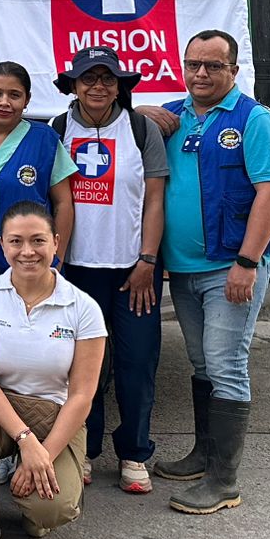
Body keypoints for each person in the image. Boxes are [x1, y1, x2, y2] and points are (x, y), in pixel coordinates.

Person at [142, 30, 270, 515]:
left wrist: (248, 262)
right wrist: (139, 113)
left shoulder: (255, 120)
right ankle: (203, 455)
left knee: (226, 365)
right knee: (203, 364)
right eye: (192, 64)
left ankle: (224, 481)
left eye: (212, 65)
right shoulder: (174, 115)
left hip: (231, 266)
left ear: (233, 70)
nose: (200, 73)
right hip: (183, 269)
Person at [0, 204, 106, 539]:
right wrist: (24, 440)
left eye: (38, 241)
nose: (27, 251)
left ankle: (35, 500)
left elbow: (82, 395)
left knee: (52, 509)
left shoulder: (83, 308)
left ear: (56, 242)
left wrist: (42, 453)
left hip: (57, 415)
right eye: (16, 241)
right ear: (2, 244)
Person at [51, 46, 167, 495]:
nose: (97, 86)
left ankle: (135, 453)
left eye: (107, 78)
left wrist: (148, 260)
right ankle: (84, 448)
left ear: (120, 85)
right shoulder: (57, 130)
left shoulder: (140, 130)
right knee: (83, 369)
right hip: (77, 271)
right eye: (88, 78)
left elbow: (154, 199)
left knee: (138, 361)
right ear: (72, 85)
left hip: (134, 270)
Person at [0, 61, 75, 287]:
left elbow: (63, 203)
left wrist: (56, 260)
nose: (4, 102)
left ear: (27, 99)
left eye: (14, 95)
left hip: (34, 269)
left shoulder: (45, 140)